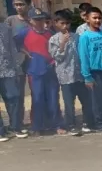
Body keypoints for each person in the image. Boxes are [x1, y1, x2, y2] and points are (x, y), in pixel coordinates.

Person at [16, 8, 65, 137]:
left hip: (50, 70)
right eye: (36, 20)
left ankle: (56, 124)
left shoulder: (50, 33)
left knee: (53, 98)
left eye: (41, 19)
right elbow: (15, 45)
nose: (39, 22)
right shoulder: (24, 33)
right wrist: (25, 53)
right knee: (37, 99)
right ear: (30, 21)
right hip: (34, 71)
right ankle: (37, 125)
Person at [48, 10, 94, 136]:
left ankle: (87, 123)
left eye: (67, 23)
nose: (65, 26)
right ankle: (71, 125)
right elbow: (56, 57)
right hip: (65, 77)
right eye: (62, 23)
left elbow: (83, 54)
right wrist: (62, 44)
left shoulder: (77, 37)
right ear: (56, 23)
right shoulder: (53, 39)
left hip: (79, 75)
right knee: (69, 103)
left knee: (86, 101)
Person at [6, 0, 32, 136]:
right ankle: (16, 124)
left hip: (34, 60)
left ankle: (41, 120)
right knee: (18, 95)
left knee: (38, 92)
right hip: (17, 62)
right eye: (16, 4)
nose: (19, 7)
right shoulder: (10, 21)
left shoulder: (34, 19)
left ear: (28, 5)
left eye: (21, 4)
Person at [0, 17, 23, 141]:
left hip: (7, 69)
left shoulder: (6, 28)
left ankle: (15, 127)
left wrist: (17, 69)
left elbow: (13, 49)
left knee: (13, 98)